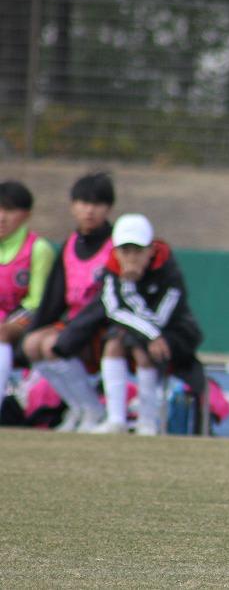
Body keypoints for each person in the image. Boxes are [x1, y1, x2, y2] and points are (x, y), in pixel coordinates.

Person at [52, 213, 204, 436]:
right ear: (115, 251)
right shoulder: (112, 272)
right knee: (113, 344)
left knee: (141, 349)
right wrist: (128, 285)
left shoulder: (169, 272)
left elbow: (161, 317)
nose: (131, 258)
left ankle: (147, 421)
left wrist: (151, 335)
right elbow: (114, 310)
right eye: (125, 251)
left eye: (138, 251)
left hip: (173, 333)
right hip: (141, 332)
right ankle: (116, 419)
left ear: (151, 250)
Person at [22, 172, 116, 432]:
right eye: (83, 203)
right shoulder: (70, 245)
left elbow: (108, 300)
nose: (89, 210)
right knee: (32, 344)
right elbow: (54, 297)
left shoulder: (115, 246)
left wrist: (74, 331)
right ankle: (78, 407)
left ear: (108, 208)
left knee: (52, 346)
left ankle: (94, 410)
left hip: (101, 325)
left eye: (97, 204)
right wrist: (35, 329)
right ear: (73, 206)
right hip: (73, 322)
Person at [0, 181, 56, 394]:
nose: (2, 217)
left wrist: (9, 321)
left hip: (26, 317)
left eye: (9, 210)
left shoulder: (38, 248)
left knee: (2, 332)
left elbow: (37, 301)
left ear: (26, 215)